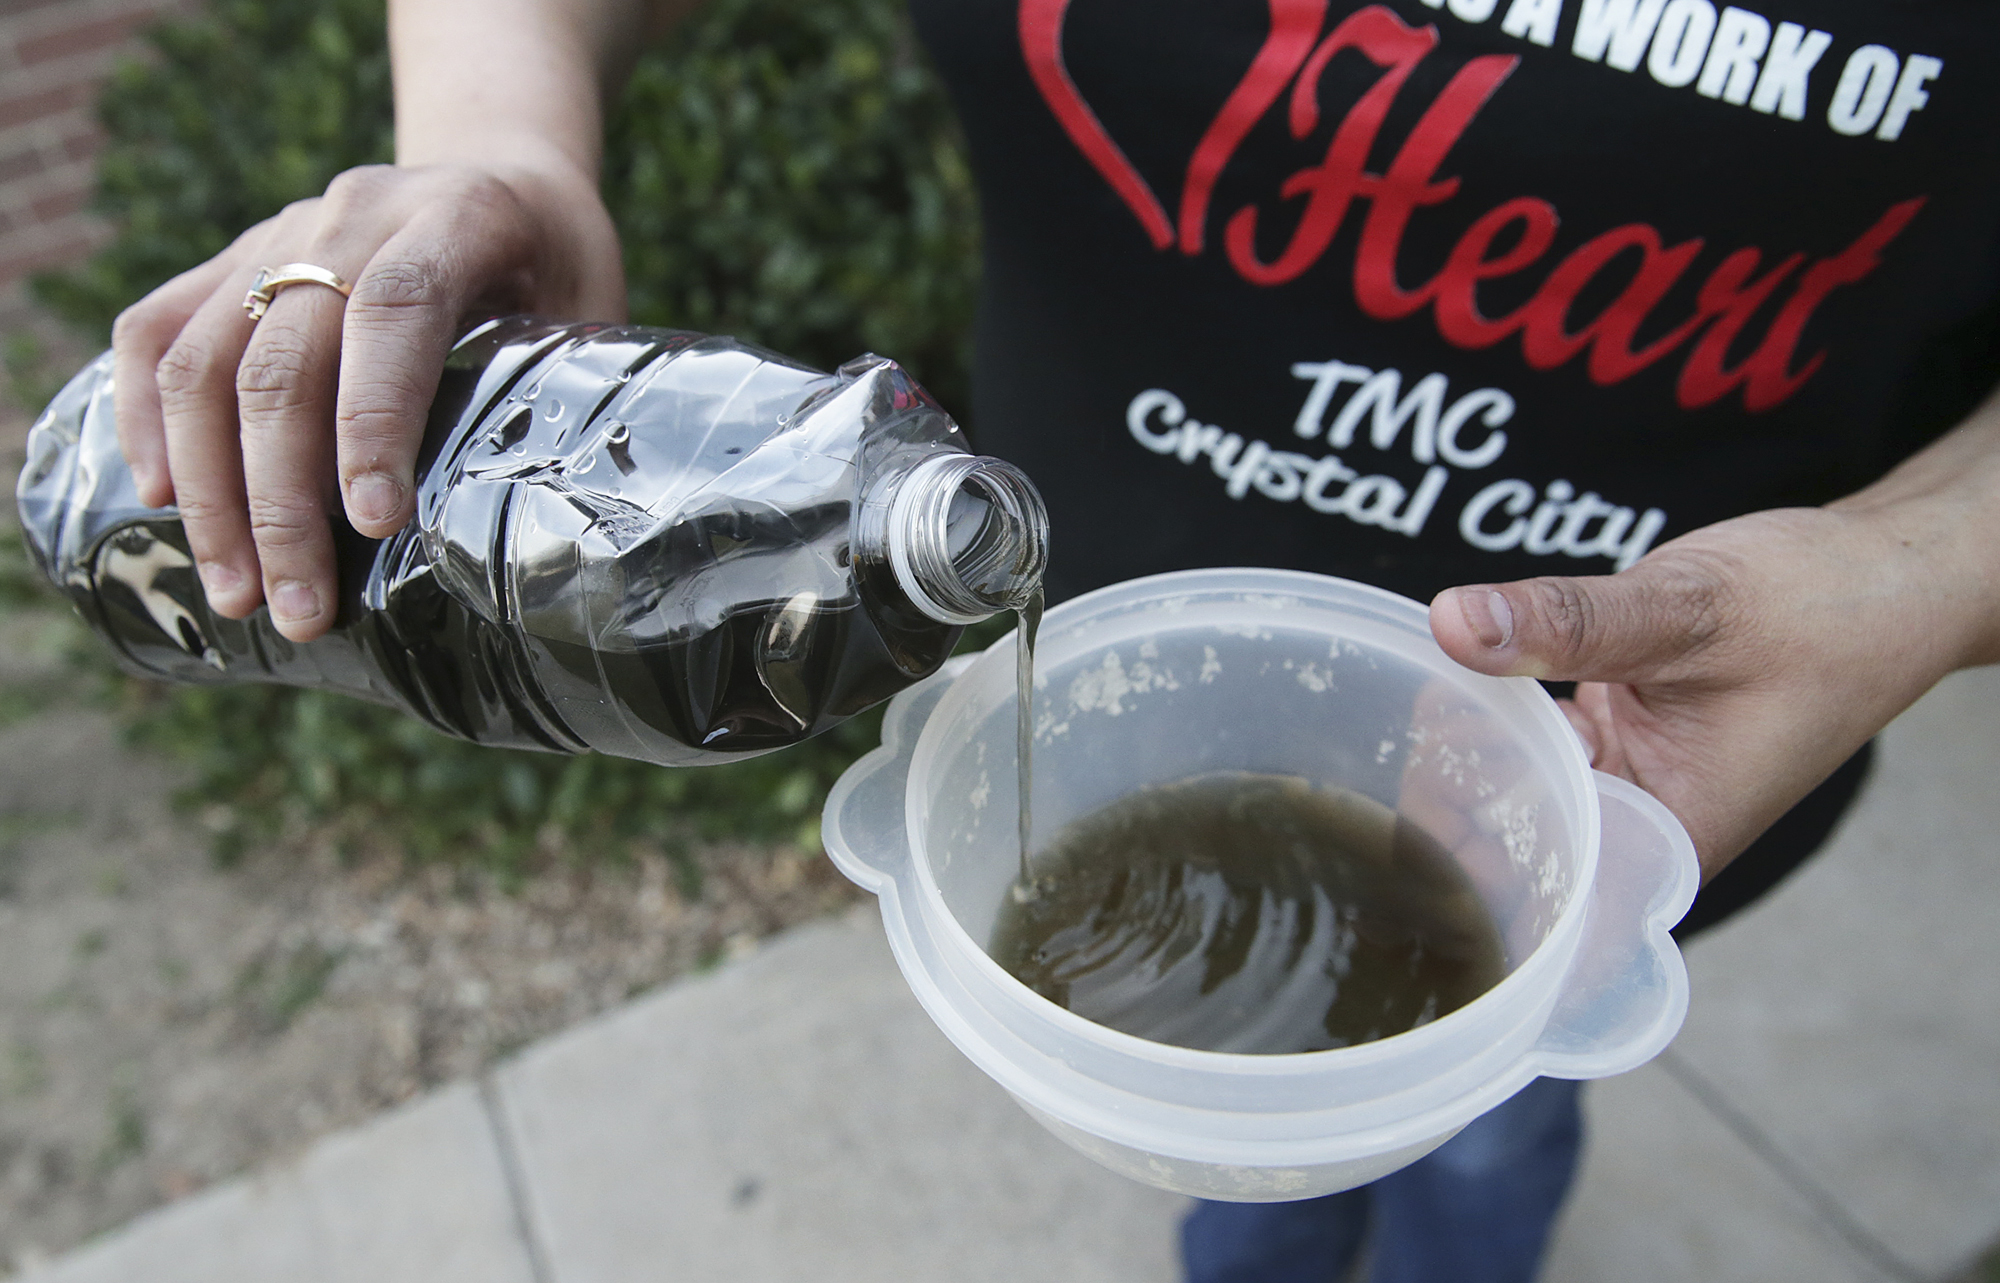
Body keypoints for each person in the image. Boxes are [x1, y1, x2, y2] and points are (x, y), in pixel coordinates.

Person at [103, 1, 2000, 1278]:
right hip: (1074, 617)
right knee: (1239, 1209)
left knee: (1490, 1149)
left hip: (1626, 776)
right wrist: (500, 135)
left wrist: (1920, 569)